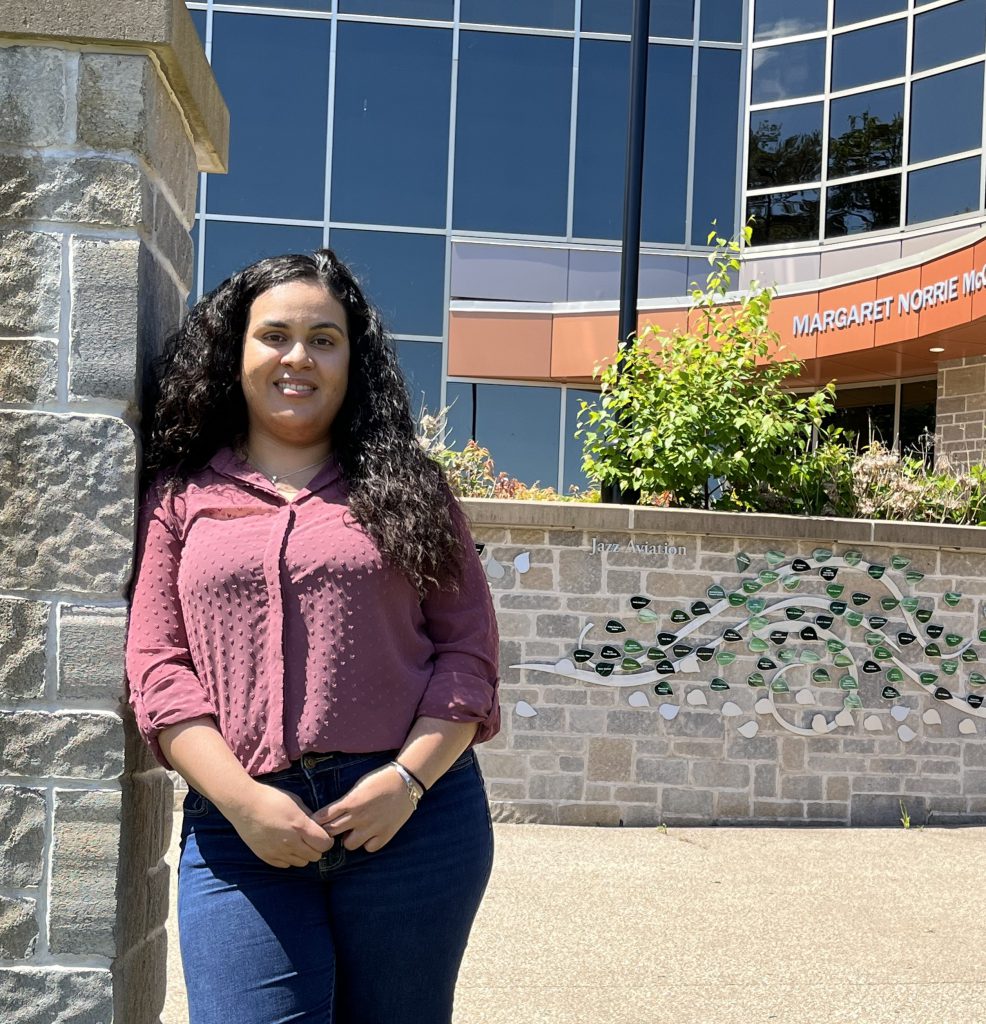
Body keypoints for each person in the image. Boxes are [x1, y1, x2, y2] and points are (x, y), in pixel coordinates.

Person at [124, 249, 500, 1024]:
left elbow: (467, 656)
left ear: (352, 360)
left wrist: (406, 783)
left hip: (411, 826)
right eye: (276, 336)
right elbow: (160, 672)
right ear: (237, 353)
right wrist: (244, 804)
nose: (299, 357)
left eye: (325, 338)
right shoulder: (181, 497)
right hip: (241, 830)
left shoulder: (412, 490)